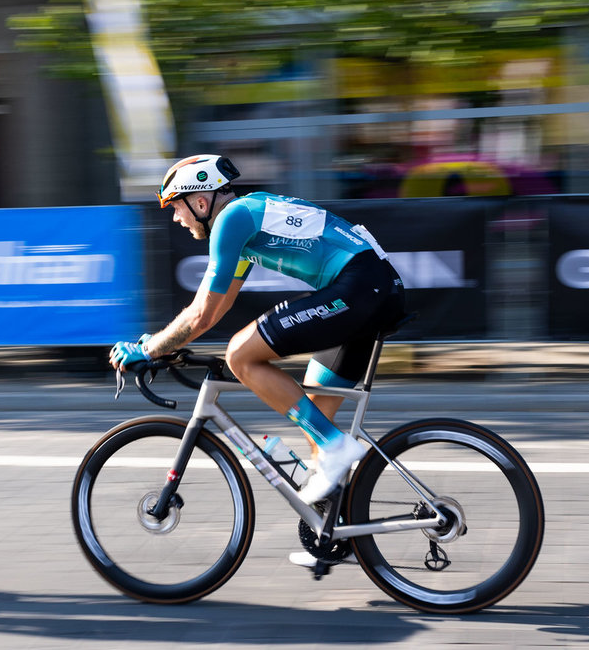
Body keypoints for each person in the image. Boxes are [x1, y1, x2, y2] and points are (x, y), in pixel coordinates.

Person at [108, 154, 405, 565]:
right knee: (314, 415)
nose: (175, 218)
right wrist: (166, 342)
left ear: (200, 200)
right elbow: (215, 307)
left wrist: (148, 349)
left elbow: (202, 316)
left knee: (240, 355)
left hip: (358, 288)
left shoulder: (233, 219)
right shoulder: (247, 227)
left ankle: (337, 449)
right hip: (373, 288)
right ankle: (339, 531)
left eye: (176, 205)